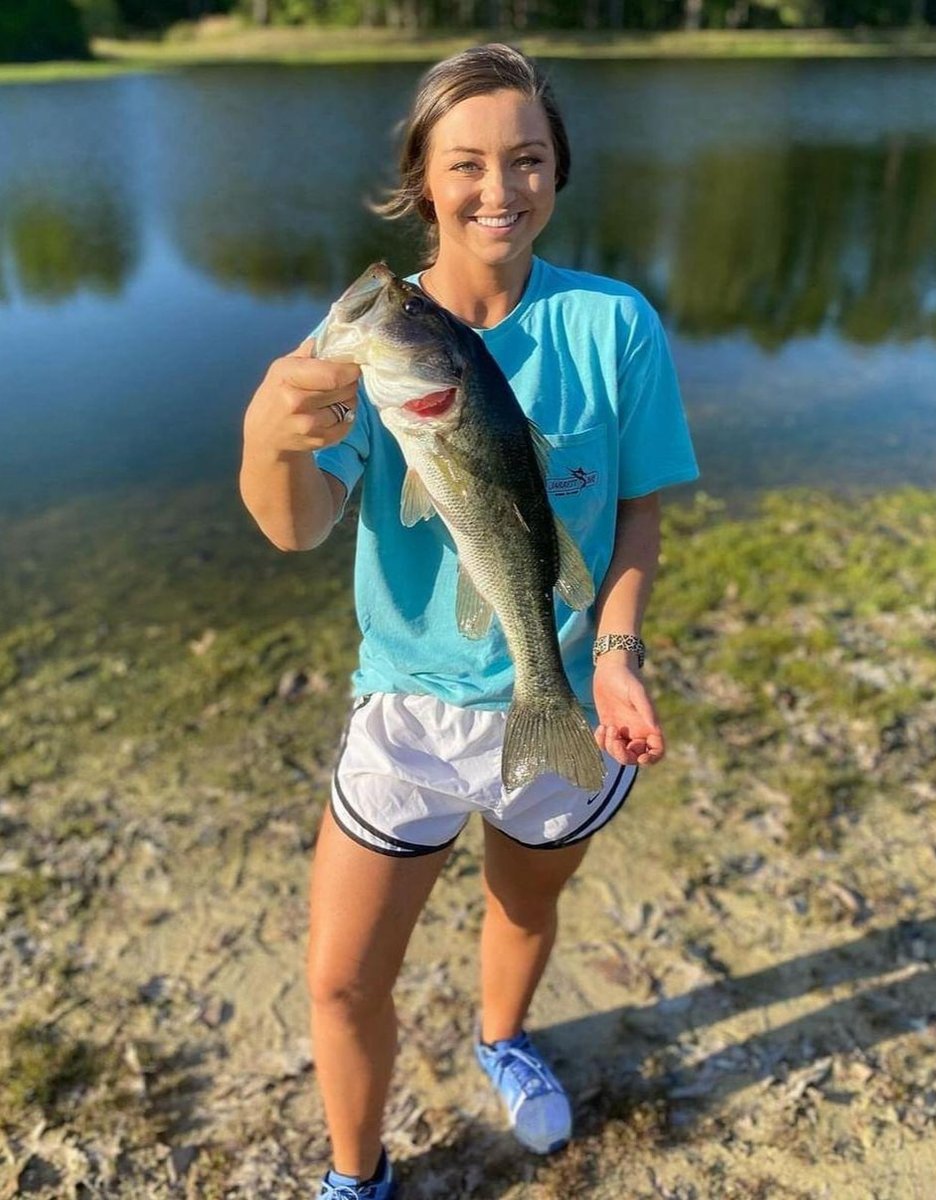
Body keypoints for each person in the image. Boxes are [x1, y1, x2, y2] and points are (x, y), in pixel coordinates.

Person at [239, 42, 699, 1200]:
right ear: (424, 179)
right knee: (341, 979)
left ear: (558, 171)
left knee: (523, 902)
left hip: (566, 701)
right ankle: (358, 1176)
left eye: (528, 159)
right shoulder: (369, 347)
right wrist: (268, 432)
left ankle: (504, 1035)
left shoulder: (616, 325)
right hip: (407, 710)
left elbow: (637, 509)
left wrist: (617, 657)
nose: (501, 189)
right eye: (469, 164)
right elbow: (294, 526)